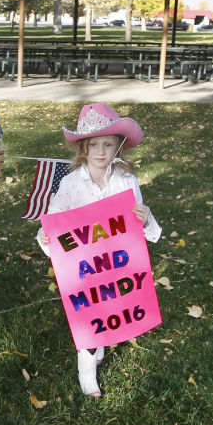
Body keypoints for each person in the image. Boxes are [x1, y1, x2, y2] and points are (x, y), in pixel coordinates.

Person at [36, 103, 161, 398]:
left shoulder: (125, 180)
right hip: (83, 264)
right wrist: (47, 233)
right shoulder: (69, 183)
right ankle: (87, 371)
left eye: (108, 144)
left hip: (118, 261)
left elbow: (137, 218)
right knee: (90, 310)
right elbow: (55, 219)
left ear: (118, 145)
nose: (101, 151)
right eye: (94, 144)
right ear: (83, 147)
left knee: (112, 304)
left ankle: (102, 341)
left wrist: (143, 217)